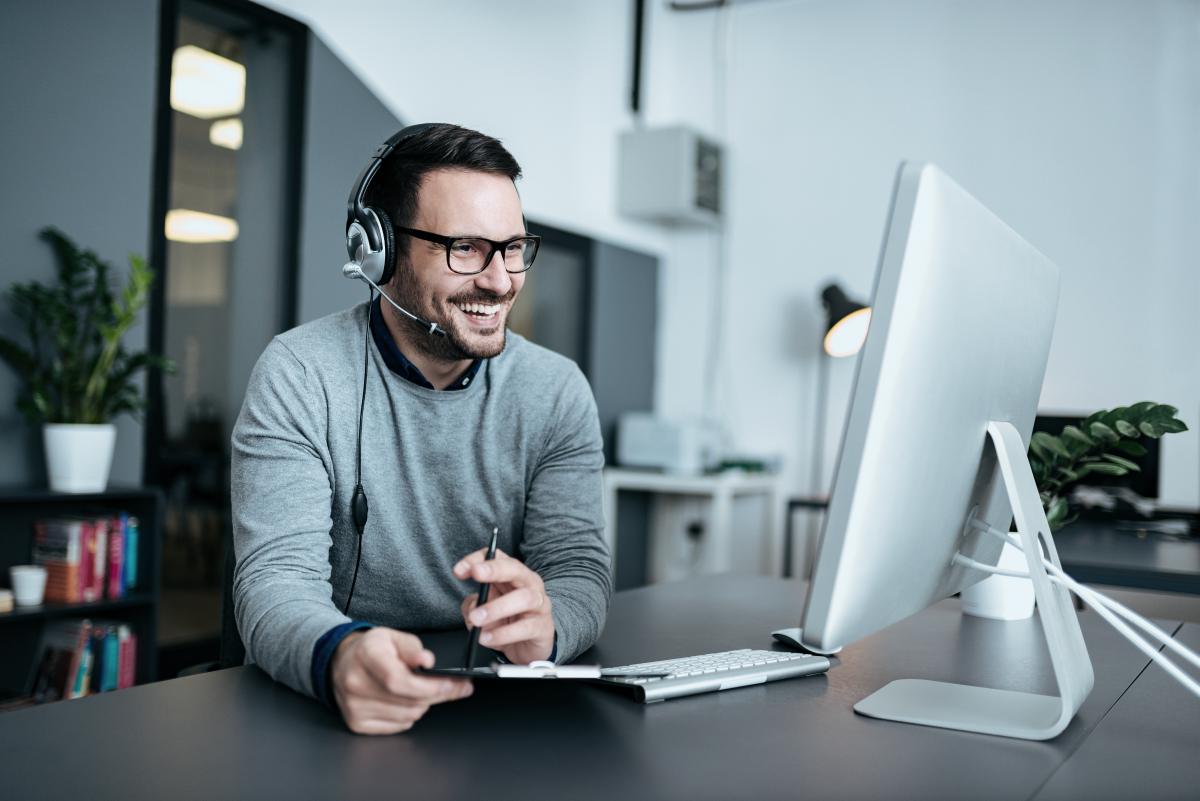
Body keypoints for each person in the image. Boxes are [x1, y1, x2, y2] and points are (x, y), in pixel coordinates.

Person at [230, 123, 611, 735]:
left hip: (489, 707)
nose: (499, 279)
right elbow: (275, 582)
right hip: (328, 702)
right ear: (377, 250)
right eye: (465, 247)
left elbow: (578, 571)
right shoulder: (300, 372)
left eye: (512, 248)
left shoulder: (556, 390)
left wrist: (550, 625)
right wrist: (340, 655)